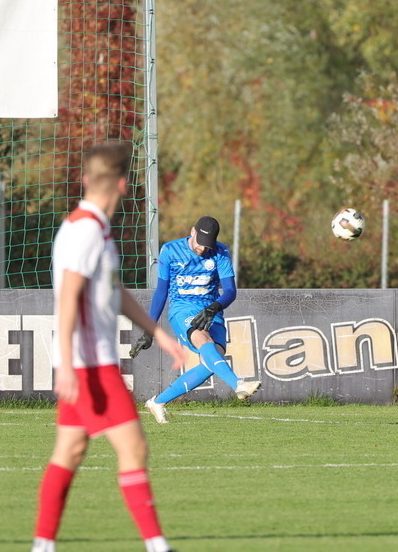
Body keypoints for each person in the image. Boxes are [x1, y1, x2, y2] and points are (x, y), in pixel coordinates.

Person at [32, 142, 187, 552]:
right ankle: (157, 545)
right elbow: (68, 298)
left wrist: (159, 332)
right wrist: (66, 364)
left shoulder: (88, 225)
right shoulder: (86, 230)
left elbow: (113, 293)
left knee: (70, 449)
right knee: (133, 447)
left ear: (86, 180)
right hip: (91, 366)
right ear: (122, 184)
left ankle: (42, 546)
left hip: (84, 363)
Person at [132, 216, 261, 424]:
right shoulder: (170, 251)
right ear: (193, 232)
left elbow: (230, 291)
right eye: (200, 242)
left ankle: (158, 402)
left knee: (212, 361)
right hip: (182, 310)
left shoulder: (221, 252)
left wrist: (215, 307)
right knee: (204, 342)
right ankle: (238, 384)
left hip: (211, 311)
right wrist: (149, 330)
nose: (202, 249)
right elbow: (161, 293)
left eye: (207, 245)